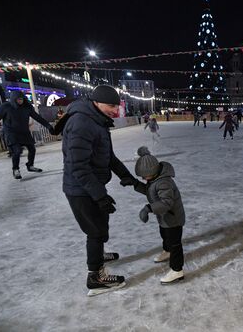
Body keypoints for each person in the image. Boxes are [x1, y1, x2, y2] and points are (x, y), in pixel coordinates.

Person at [61, 85, 138, 296]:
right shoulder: (82, 123)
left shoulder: (98, 121)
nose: (115, 110)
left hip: (91, 186)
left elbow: (108, 157)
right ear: (96, 102)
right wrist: (100, 196)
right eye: (111, 106)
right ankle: (95, 276)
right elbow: (78, 167)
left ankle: (99, 254)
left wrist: (125, 175)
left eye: (117, 105)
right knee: (95, 230)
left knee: (101, 224)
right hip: (80, 188)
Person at [133, 146, 186, 284]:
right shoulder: (154, 179)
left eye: (144, 176)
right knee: (165, 235)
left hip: (173, 217)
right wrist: (134, 184)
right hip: (164, 217)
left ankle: (177, 270)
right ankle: (167, 251)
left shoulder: (164, 182)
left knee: (175, 244)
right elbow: (150, 191)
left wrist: (148, 208)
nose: (144, 179)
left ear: (153, 172)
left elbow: (167, 202)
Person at [0, 91, 55, 179]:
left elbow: (37, 117)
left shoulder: (27, 107)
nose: (21, 101)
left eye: (22, 99)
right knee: (17, 151)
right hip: (11, 133)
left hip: (24, 132)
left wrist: (48, 126)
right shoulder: (5, 107)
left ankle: (30, 165)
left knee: (32, 149)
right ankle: (15, 169)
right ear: (13, 99)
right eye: (18, 99)